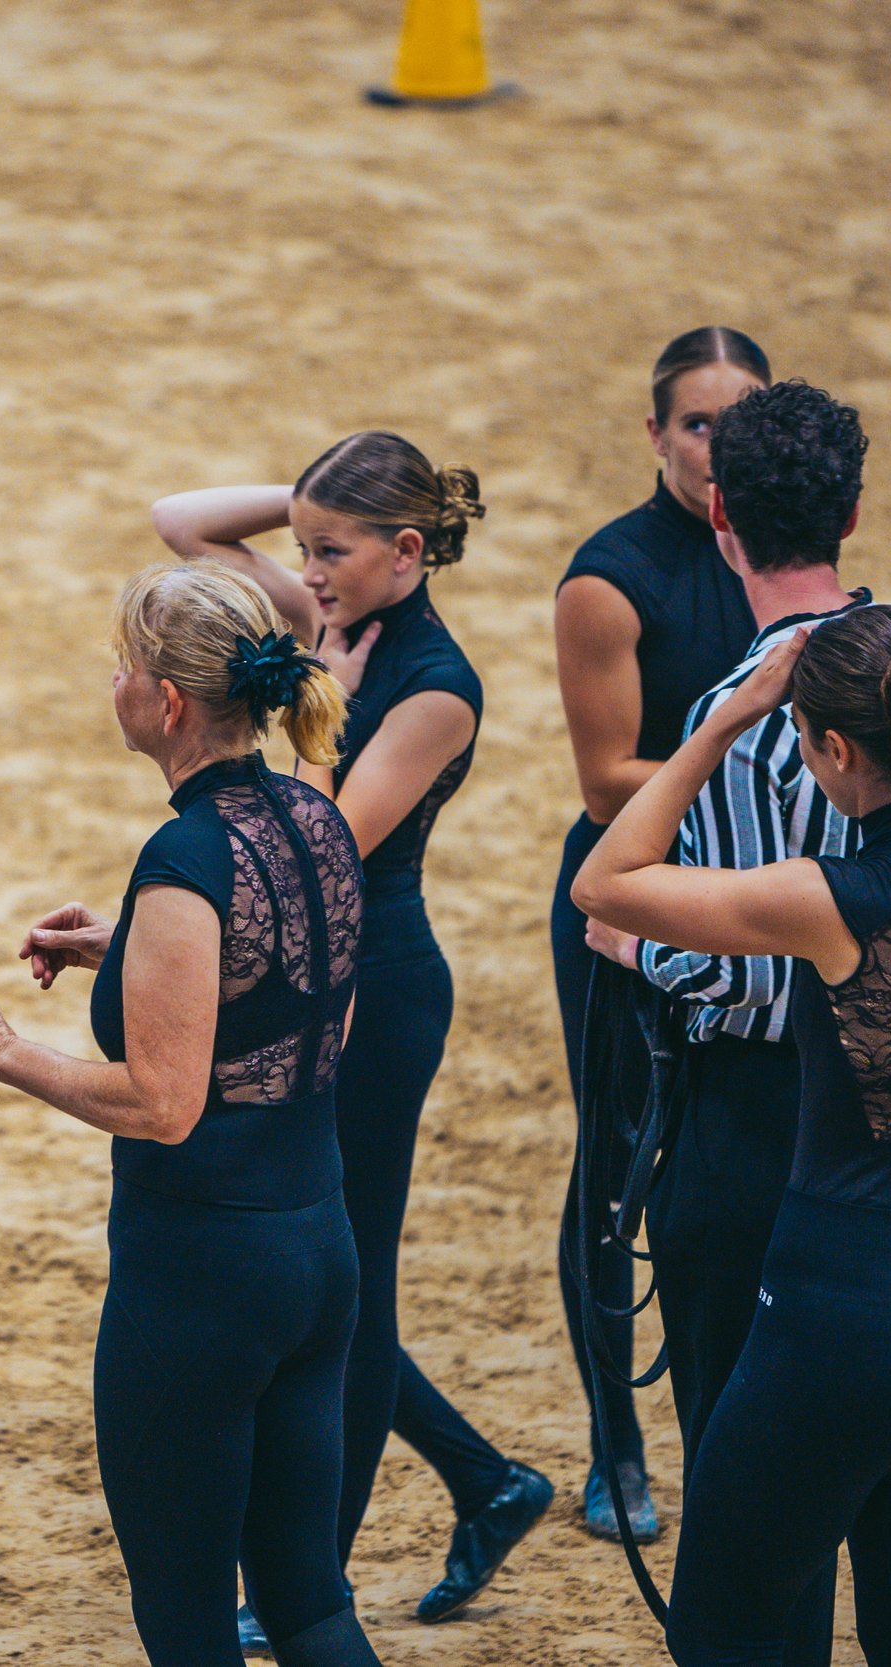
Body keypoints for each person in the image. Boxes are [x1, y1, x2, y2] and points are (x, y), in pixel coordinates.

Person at [584, 382, 891, 1666]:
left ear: (716, 512)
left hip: (759, 1145)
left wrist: (716, 735)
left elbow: (610, 888)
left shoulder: (755, 710)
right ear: (852, 511)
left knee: (753, 1548)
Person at [0, 562, 384, 1667]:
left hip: (201, 1279)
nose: (116, 681)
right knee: (309, 1599)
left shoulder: (182, 857)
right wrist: (125, 947)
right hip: (317, 1246)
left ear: (166, 702)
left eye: (123, 663)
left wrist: (4, 1051)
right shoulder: (314, 817)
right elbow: (309, 1005)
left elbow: (164, 1105)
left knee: (184, 1617)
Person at [156, 435, 549, 1630]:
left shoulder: (433, 683)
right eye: (305, 549)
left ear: (407, 553)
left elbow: (324, 833)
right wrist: (309, 509)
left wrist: (314, 671)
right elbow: (180, 522)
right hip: (296, 968)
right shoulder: (334, 601)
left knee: (353, 1279)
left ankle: (303, 1585)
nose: (305, 567)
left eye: (330, 550)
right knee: (319, 1274)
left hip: (377, 980)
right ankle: (484, 1478)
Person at [550, 327, 768, 1542]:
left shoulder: (779, 549)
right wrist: (760, 746)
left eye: (742, 423)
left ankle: (733, 1426)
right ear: (653, 434)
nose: (716, 445)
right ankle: (615, 1444)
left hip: (754, 900)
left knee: (737, 1162)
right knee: (619, 1168)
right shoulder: (609, 575)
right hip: (626, 903)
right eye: (696, 422)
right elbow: (600, 784)